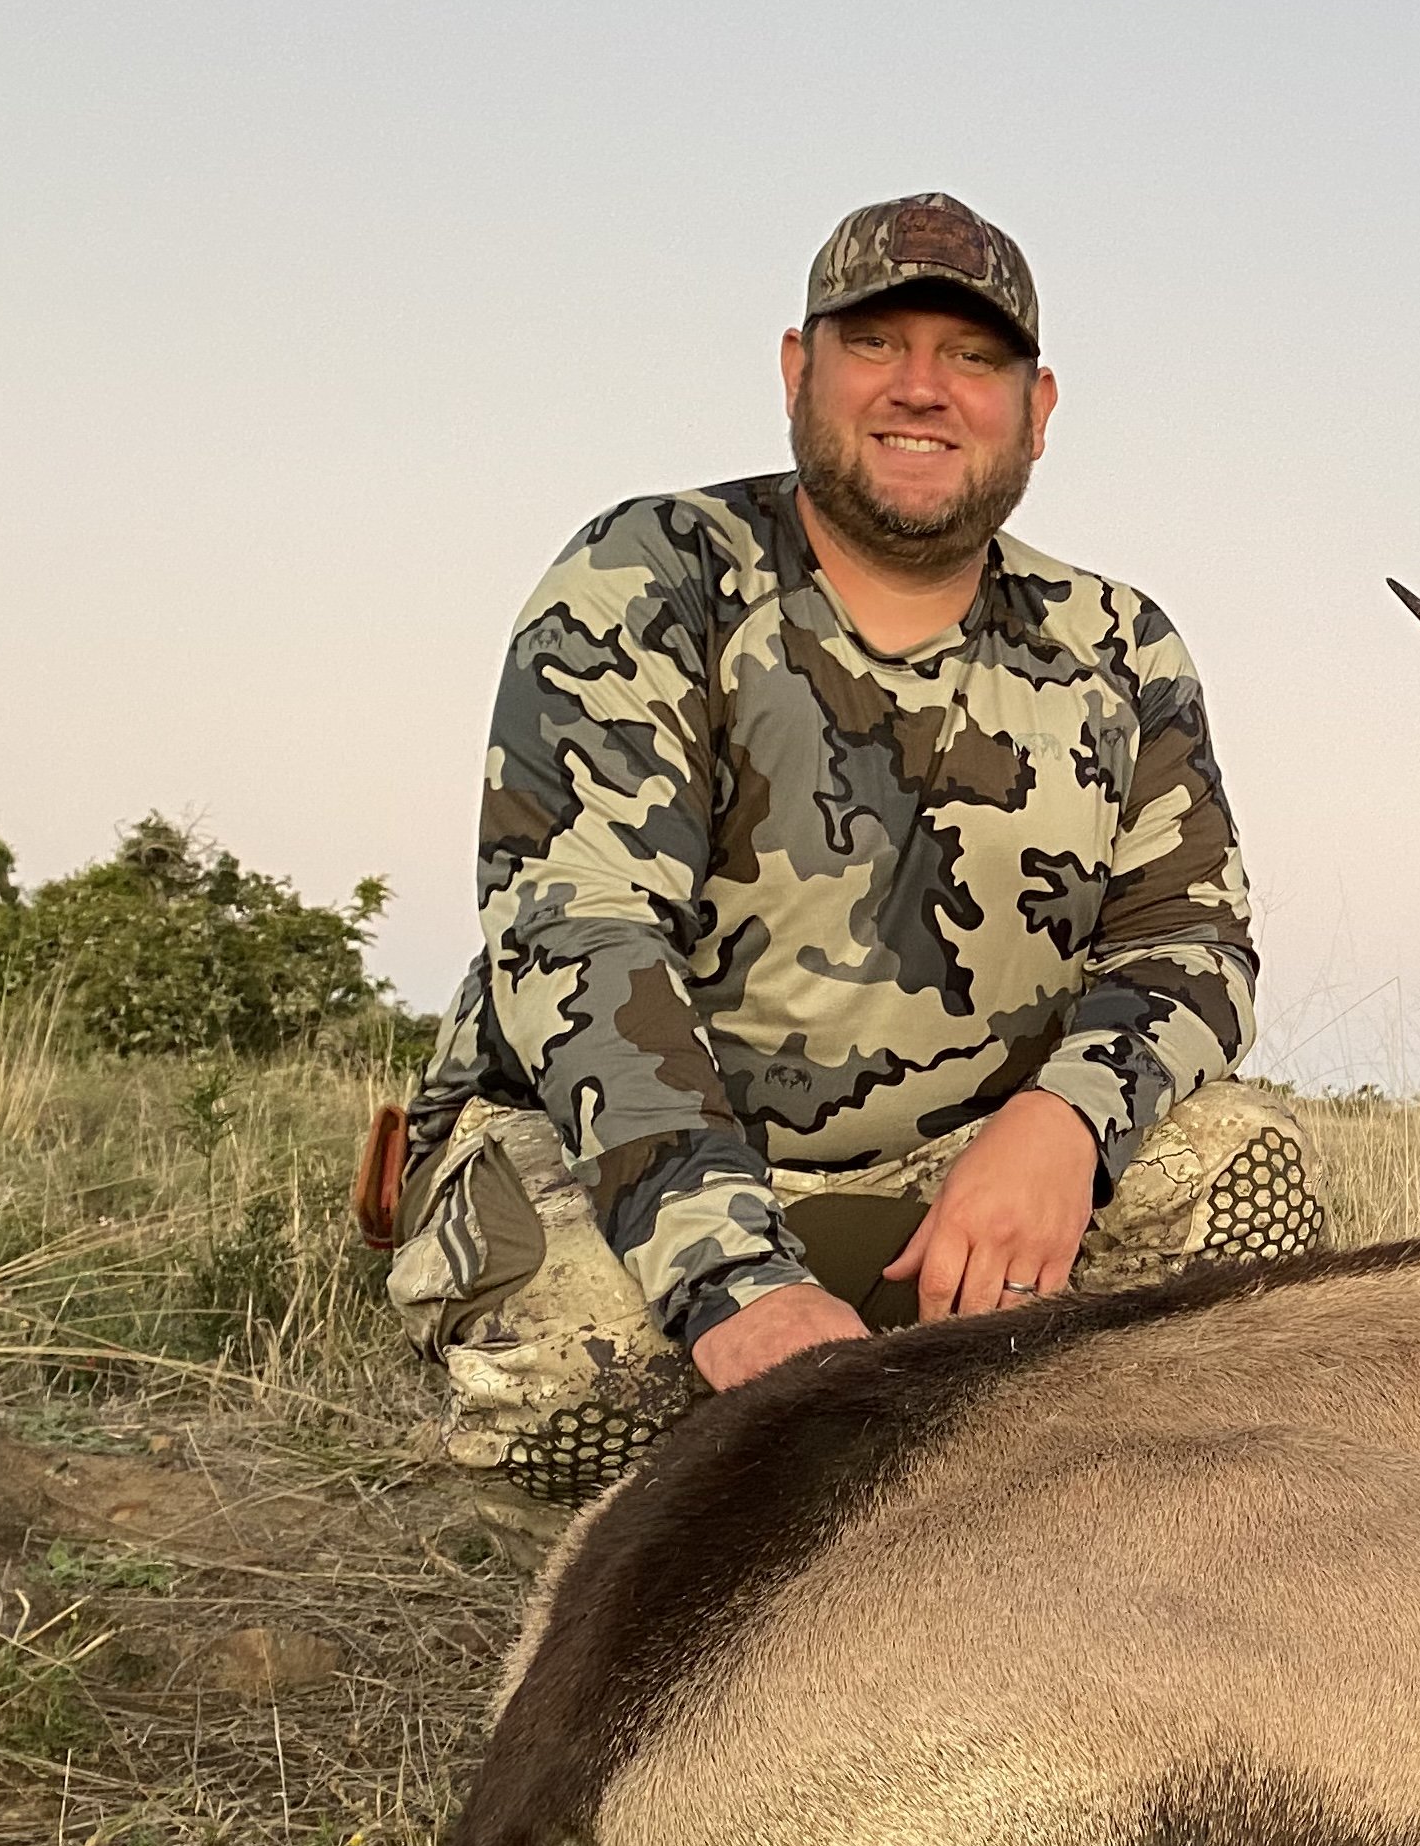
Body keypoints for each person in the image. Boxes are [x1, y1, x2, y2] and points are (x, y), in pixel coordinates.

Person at [383, 192, 1325, 1502]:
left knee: (1248, 1186)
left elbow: (1192, 945)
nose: (924, 389)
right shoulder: (647, 574)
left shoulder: (1120, 644)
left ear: (1038, 407)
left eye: (974, 358)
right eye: (879, 344)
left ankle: (1022, 1494)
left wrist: (1062, 1125)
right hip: (640, 1162)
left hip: (957, 1171)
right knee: (568, 1369)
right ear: (797, 370)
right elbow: (579, 935)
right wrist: (731, 1283)